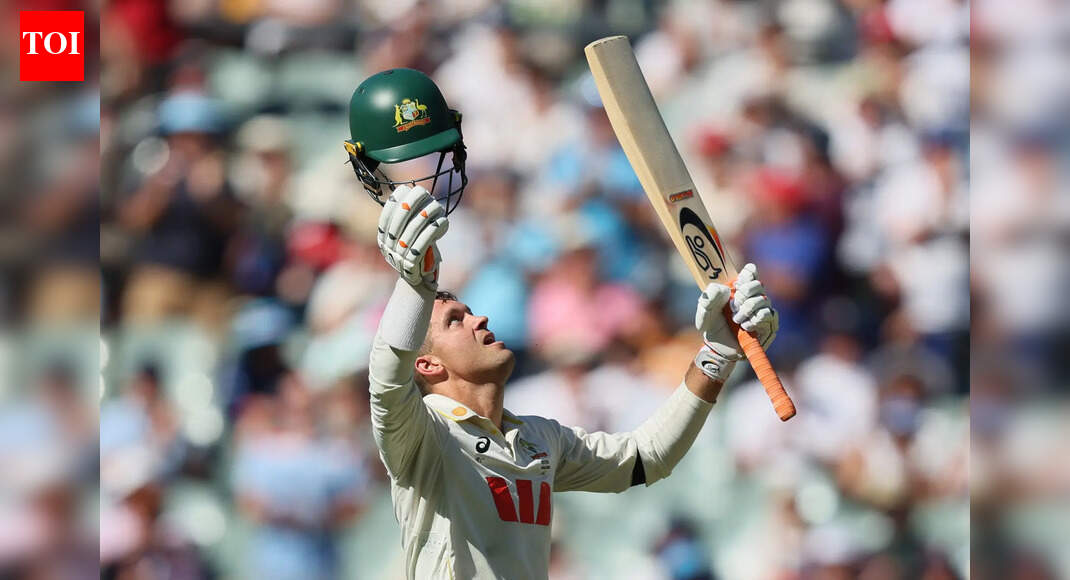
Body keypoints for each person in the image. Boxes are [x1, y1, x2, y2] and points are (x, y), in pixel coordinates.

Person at [346, 69, 779, 580]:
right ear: (427, 364)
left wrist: (718, 354)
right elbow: (386, 376)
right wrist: (414, 284)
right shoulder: (421, 435)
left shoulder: (539, 440)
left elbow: (647, 457)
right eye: (456, 320)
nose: (479, 317)